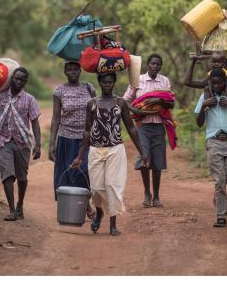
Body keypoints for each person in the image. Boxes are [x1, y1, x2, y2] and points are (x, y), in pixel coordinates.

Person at [71, 72, 148, 236]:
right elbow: (86, 131)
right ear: (99, 82)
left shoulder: (120, 103)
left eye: (110, 82)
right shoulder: (91, 103)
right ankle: (99, 212)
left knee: (112, 186)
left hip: (115, 150)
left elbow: (131, 128)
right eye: (104, 82)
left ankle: (113, 224)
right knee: (97, 188)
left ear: (114, 83)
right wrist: (79, 156)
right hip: (95, 150)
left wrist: (142, 152)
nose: (107, 85)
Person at [0, 67, 41, 221]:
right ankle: (12, 210)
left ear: (26, 82)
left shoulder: (30, 100)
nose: (18, 81)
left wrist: (37, 145)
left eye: (22, 79)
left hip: (22, 143)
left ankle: (20, 204)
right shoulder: (1, 96)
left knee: (22, 177)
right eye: (16, 78)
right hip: (3, 141)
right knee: (7, 175)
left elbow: (35, 122)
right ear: (11, 79)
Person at [194, 68, 227, 227]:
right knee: (220, 181)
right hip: (214, 142)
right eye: (213, 83)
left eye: (219, 83)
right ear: (209, 83)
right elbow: (199, 122)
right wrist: (204, 106)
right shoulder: (205, 97)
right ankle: (221, 216)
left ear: (225, 83)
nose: (216, 85)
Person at [123, 53, 174, 208]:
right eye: (153, 63)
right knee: (144, 159)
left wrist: (159, 100)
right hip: (142, 127)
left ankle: (157, 196)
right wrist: (136, 111)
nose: (155, 66)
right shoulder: (137, 80)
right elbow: (124, 101)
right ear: (148, 65)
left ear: (160, 66)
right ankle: (147, 193)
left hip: (159, 126)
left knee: (157, 162)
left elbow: (170, 103)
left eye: (158, 64)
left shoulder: (164, 81)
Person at [49, 61, 96, 216]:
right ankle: (81, 207)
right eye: (69, 69)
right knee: (68, 175)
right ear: (65, 72)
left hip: (86, 138)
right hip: (66, 138)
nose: (73, 71)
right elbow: (56, 118)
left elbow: (96, 112)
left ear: (80, 70)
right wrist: (51, 144)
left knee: (86, 172)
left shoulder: (88, 88)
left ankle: (85, 202)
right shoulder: (59, 91)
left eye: (76, 69)